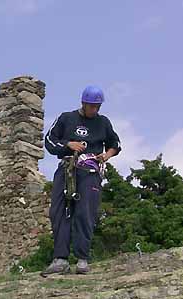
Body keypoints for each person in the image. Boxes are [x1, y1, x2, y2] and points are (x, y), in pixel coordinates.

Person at [41, 86, 121, 276]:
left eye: (97, 106)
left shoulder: (103, 123)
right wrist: (68, 144)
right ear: (83, 103)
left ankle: (82, 259)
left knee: (85, 212)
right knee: (59, 211)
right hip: (67, 168)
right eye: (91, 106)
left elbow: (115, 144)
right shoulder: (66, 118)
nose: (94, 110)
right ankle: (60, 259)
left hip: (90, 172)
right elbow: (49, 140)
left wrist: (106, 155)